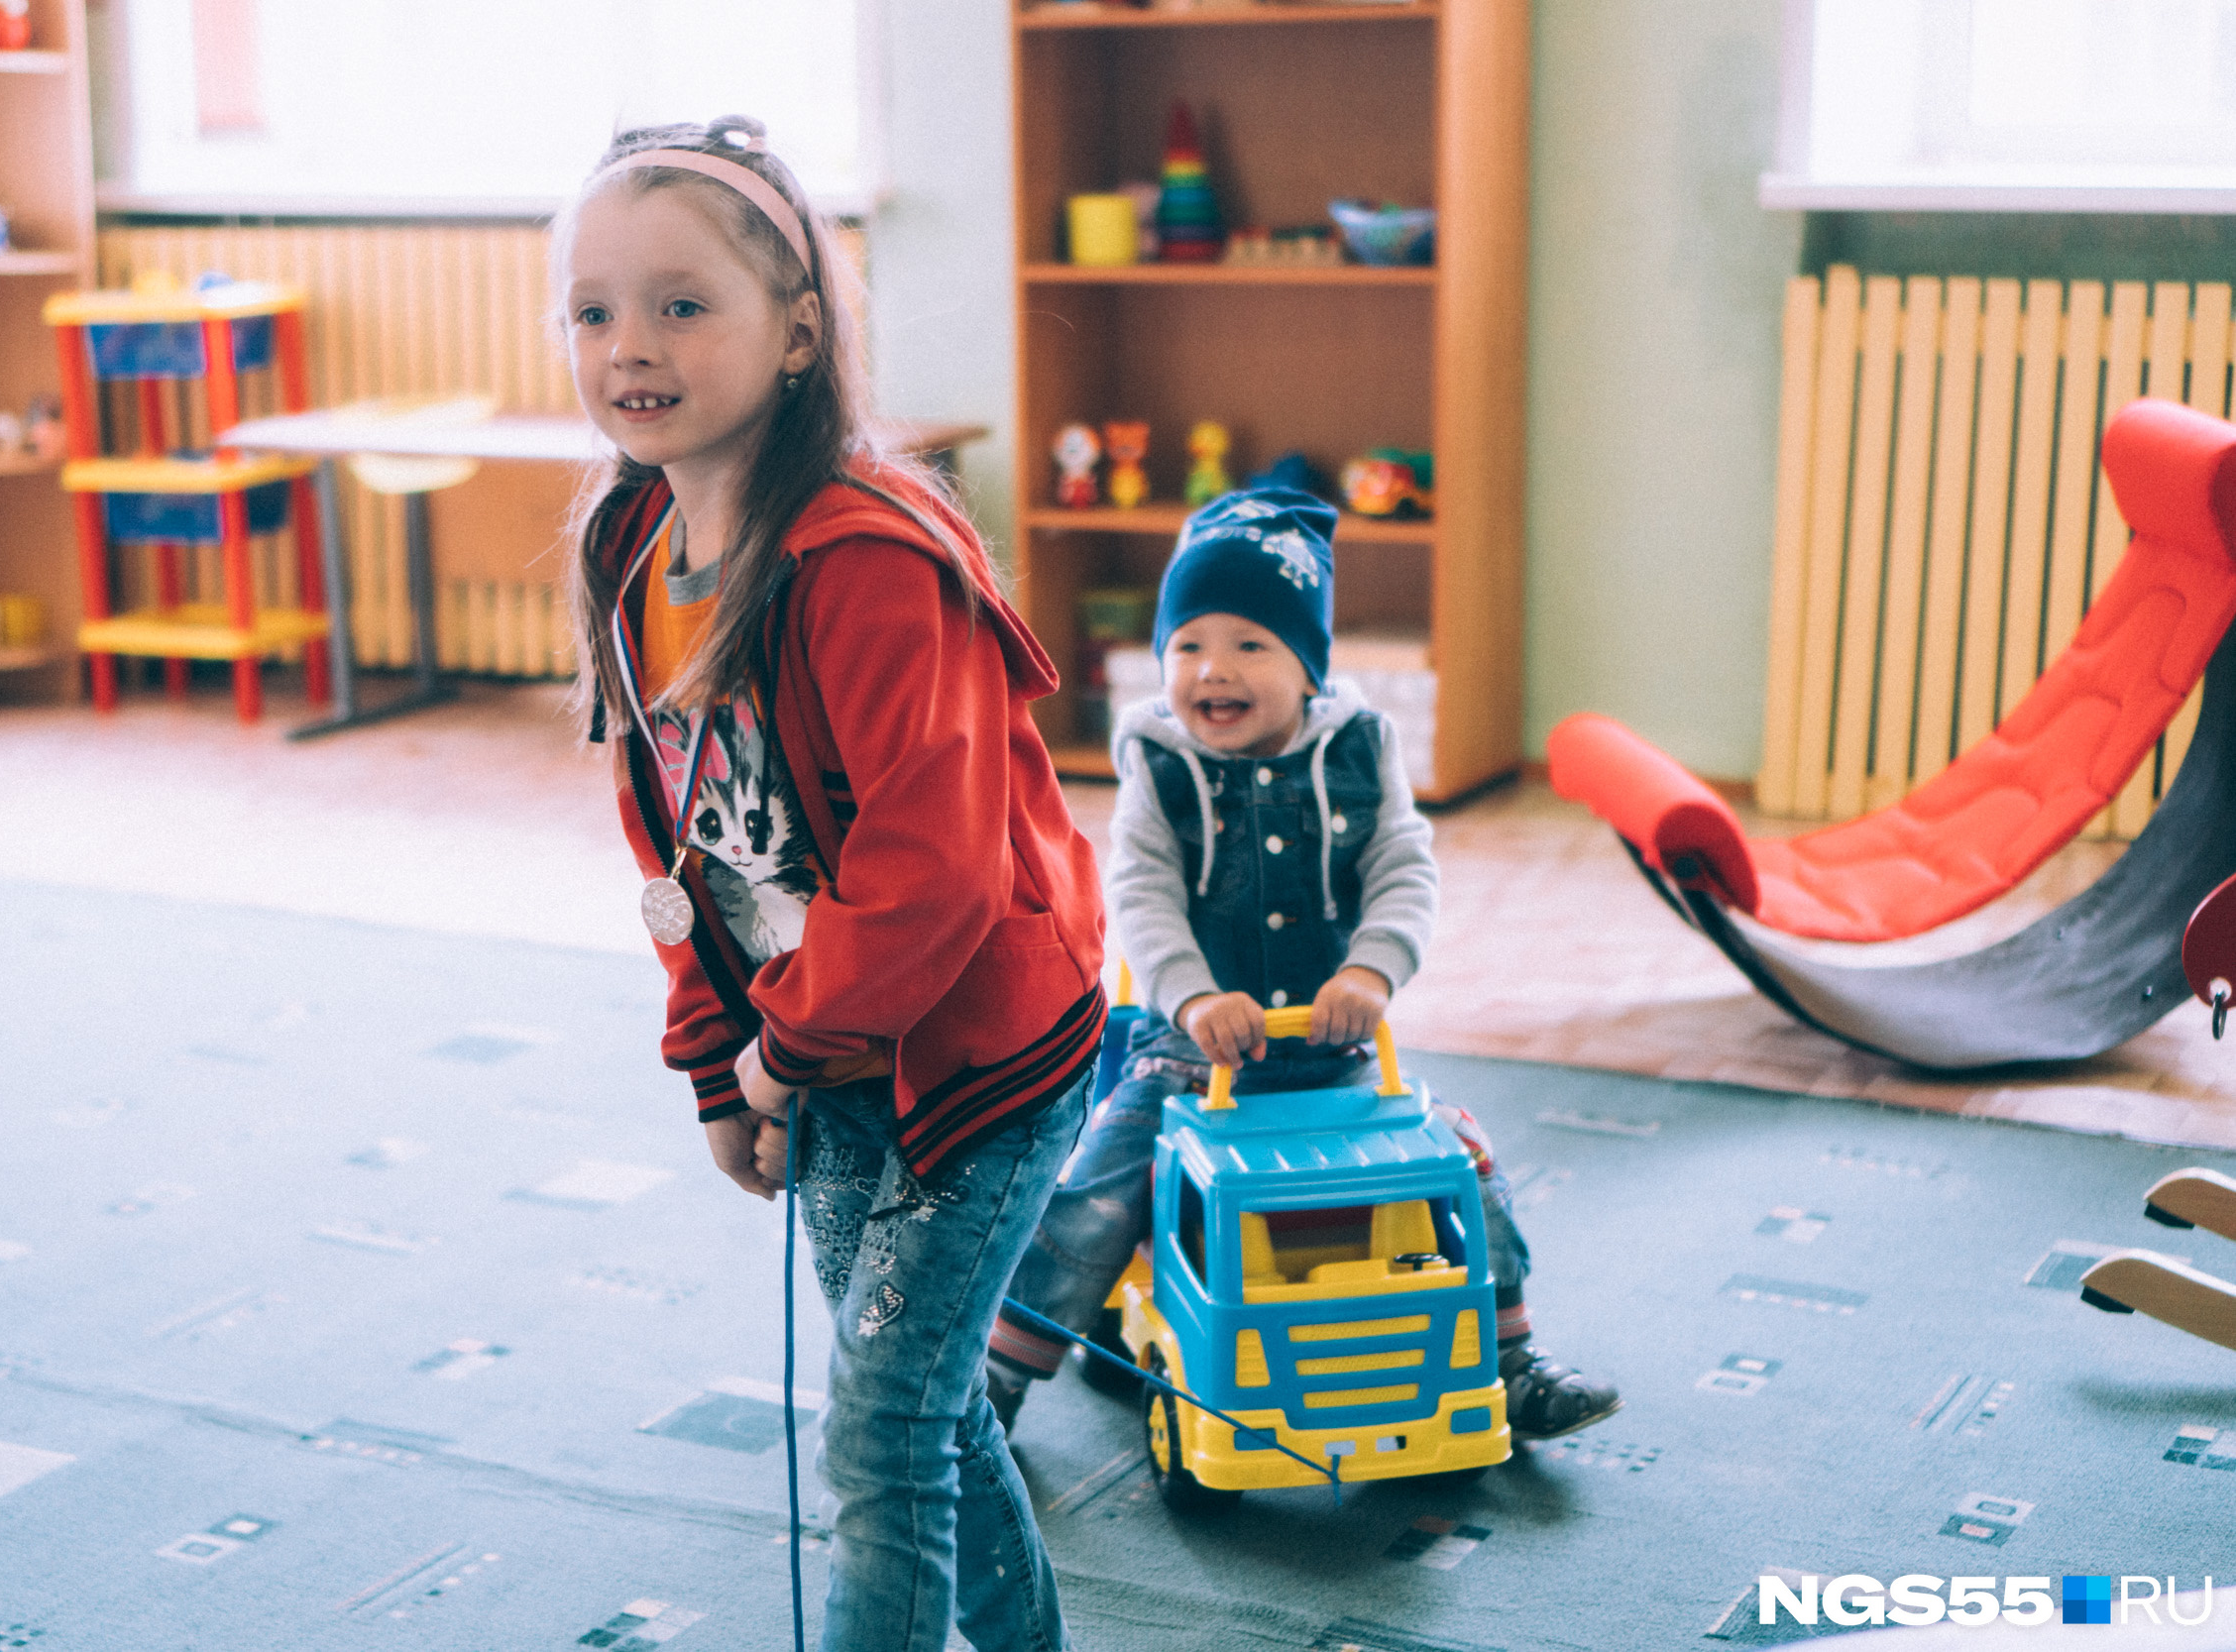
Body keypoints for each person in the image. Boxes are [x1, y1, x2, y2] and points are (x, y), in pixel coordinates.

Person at [559, 117, 1105, 1652]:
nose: (630, 346)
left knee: (880, 1426)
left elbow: (932, 879)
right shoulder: (630, 542)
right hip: (815, 1044)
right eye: (594, 310)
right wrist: (712, 1064)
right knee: (916, 1402)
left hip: (979, 1053)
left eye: (681, 303)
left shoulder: (862, 559)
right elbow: (672, 847)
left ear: (799, 331)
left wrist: (780, 1052)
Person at [983, 487, 1621, 1446]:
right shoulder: (1157, 758)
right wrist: (1194, 997)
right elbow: (1143, 893)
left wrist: (1369, 973)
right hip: (1193, 1060)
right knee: (1101, 1182)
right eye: (1189, 643)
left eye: (1251, 644)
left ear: (1308, 666)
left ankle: (1512, 1356)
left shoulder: (1361, 745)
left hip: (1338, 1054)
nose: (1213, 668)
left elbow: (1403, 867)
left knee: (1462, 1160)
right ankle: (997, 1376)